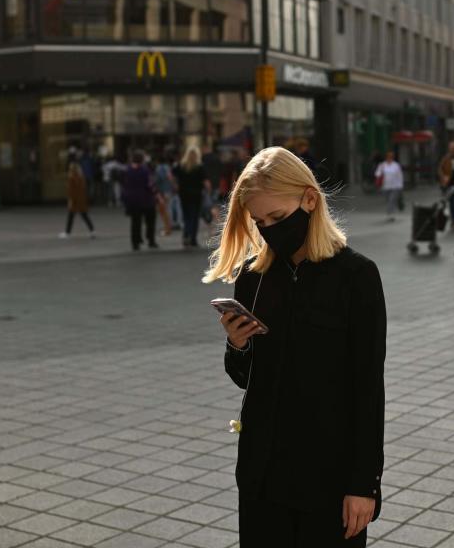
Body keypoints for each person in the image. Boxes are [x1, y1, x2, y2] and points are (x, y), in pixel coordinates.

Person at [205, 146, 385, 547]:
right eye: (260, 221)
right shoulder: (254, 277)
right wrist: (238, 346)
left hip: (329, 478)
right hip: (262, 473)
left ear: (309, 199)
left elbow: (368, 389)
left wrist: (364, 484)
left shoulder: (356, 277)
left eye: (279, 218)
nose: (269, 229)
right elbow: (245, 378)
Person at [173, 146, 210, 248]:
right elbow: (206, 182)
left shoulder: (181, 166)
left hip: (184, 194)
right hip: (197, 194)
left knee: (186, 216)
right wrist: (208, 192)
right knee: (194, 216)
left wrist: (176, 186)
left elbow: (172, 176)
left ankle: (186, 235)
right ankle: (193, 239)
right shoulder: (200, 167)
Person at [122, 150, 158, 251]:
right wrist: (156, 194)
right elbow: (149, 184)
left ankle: (135, 242)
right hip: (146, 199)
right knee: (150, 220)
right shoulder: (144, 170)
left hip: (132, 200)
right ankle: (150, 240)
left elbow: (124, 184)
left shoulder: (127, 170)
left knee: (135, 222)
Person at [60, 162, 95, 239]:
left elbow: (71, 191)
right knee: (84, 216)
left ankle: (67, 233)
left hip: (74, 201)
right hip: (81, 200)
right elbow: (83, 189)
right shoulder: (81, 177)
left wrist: (70, 200)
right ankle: (92, 230)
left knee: (71, 217)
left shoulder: (71, 177)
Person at [437, 141, 454, 231]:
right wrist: (443, 178)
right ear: (449, 148)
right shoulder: (446, 158)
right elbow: (440, 169)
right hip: (448, 184)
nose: (453, 149)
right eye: (451, 148)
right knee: (452, 203)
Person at [374, 151, 404, 221]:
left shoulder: (396, 165)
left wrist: (400, 185)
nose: (389, 158)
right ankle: (391, 211)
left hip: (395, 186)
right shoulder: (382, 165)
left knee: (391, 200)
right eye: (388, 157)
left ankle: (390, 214)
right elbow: (377, 173)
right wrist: (379, 174)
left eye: (391, 157)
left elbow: (400, 176)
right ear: (386, 157)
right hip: (385, 187)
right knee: (388, 200)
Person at [155, 154, 181, 233]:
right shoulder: (166, 167)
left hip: (163, 190)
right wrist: (174, 185)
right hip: (167, 190)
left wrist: (174, 185)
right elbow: (170, 177)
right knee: (167, 208)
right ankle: (168, 226)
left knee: (166, 209)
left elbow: (168, 177)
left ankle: (168, 227)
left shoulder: (160, 168)